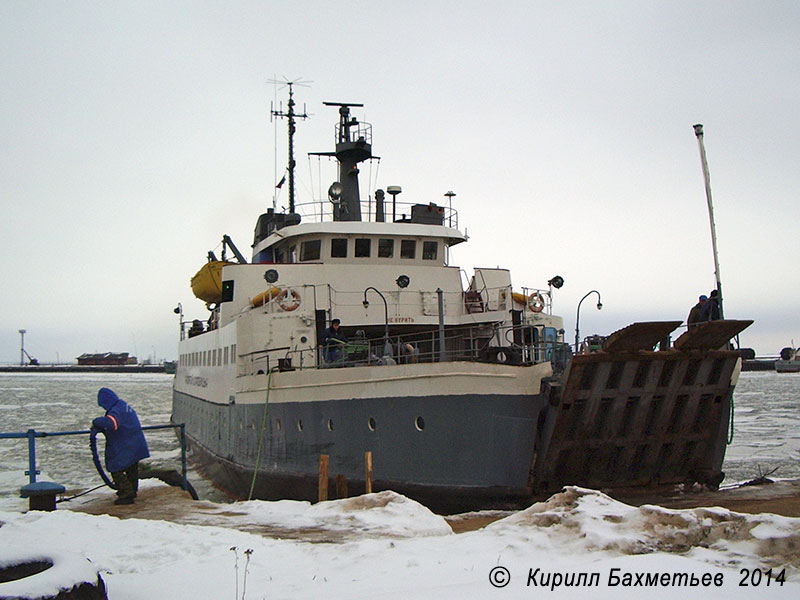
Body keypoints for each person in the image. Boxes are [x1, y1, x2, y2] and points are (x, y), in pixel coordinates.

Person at [92, 387, 150, 505]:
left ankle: (126, 494)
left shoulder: (116, 410)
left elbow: (112, 424)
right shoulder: (123, 406)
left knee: (116, 468)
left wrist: (96, 421)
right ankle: (132, 490)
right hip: (136, 443)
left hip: (126, 445)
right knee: (131, 468)